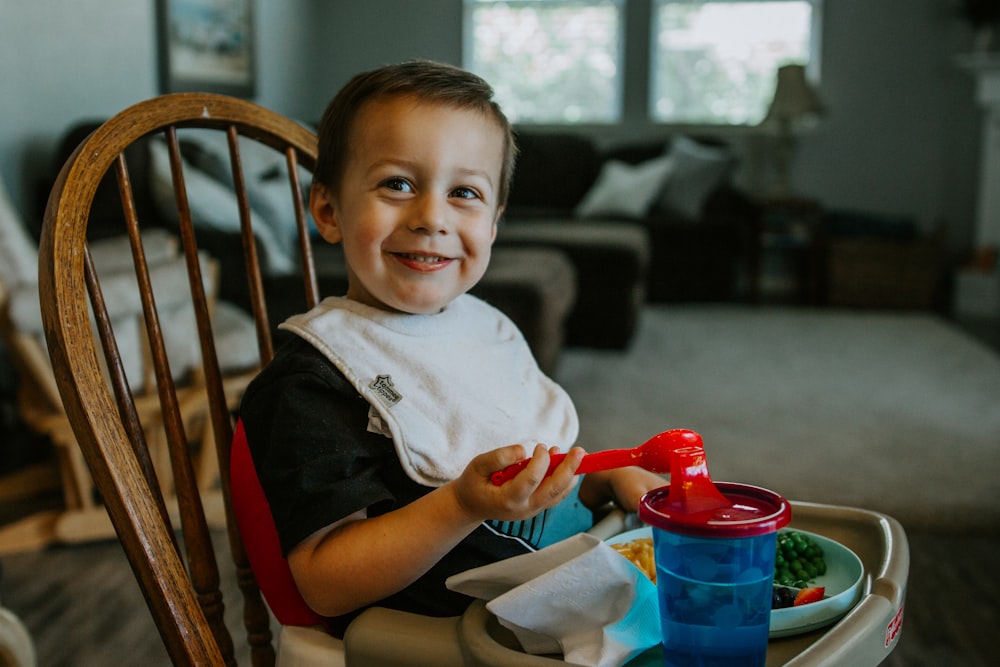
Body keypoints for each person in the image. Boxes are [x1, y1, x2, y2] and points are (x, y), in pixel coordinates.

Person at [239, 60, 664, 635]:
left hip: (560, 595)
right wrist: (462, 506)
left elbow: (529, 481)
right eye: (397, 184)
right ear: (328, 211)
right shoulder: (316, 379)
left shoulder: (484, 330)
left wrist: (601, 479)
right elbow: (324, 583)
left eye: (464, 192)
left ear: (492, 225)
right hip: (445, 641)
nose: (431, 217)